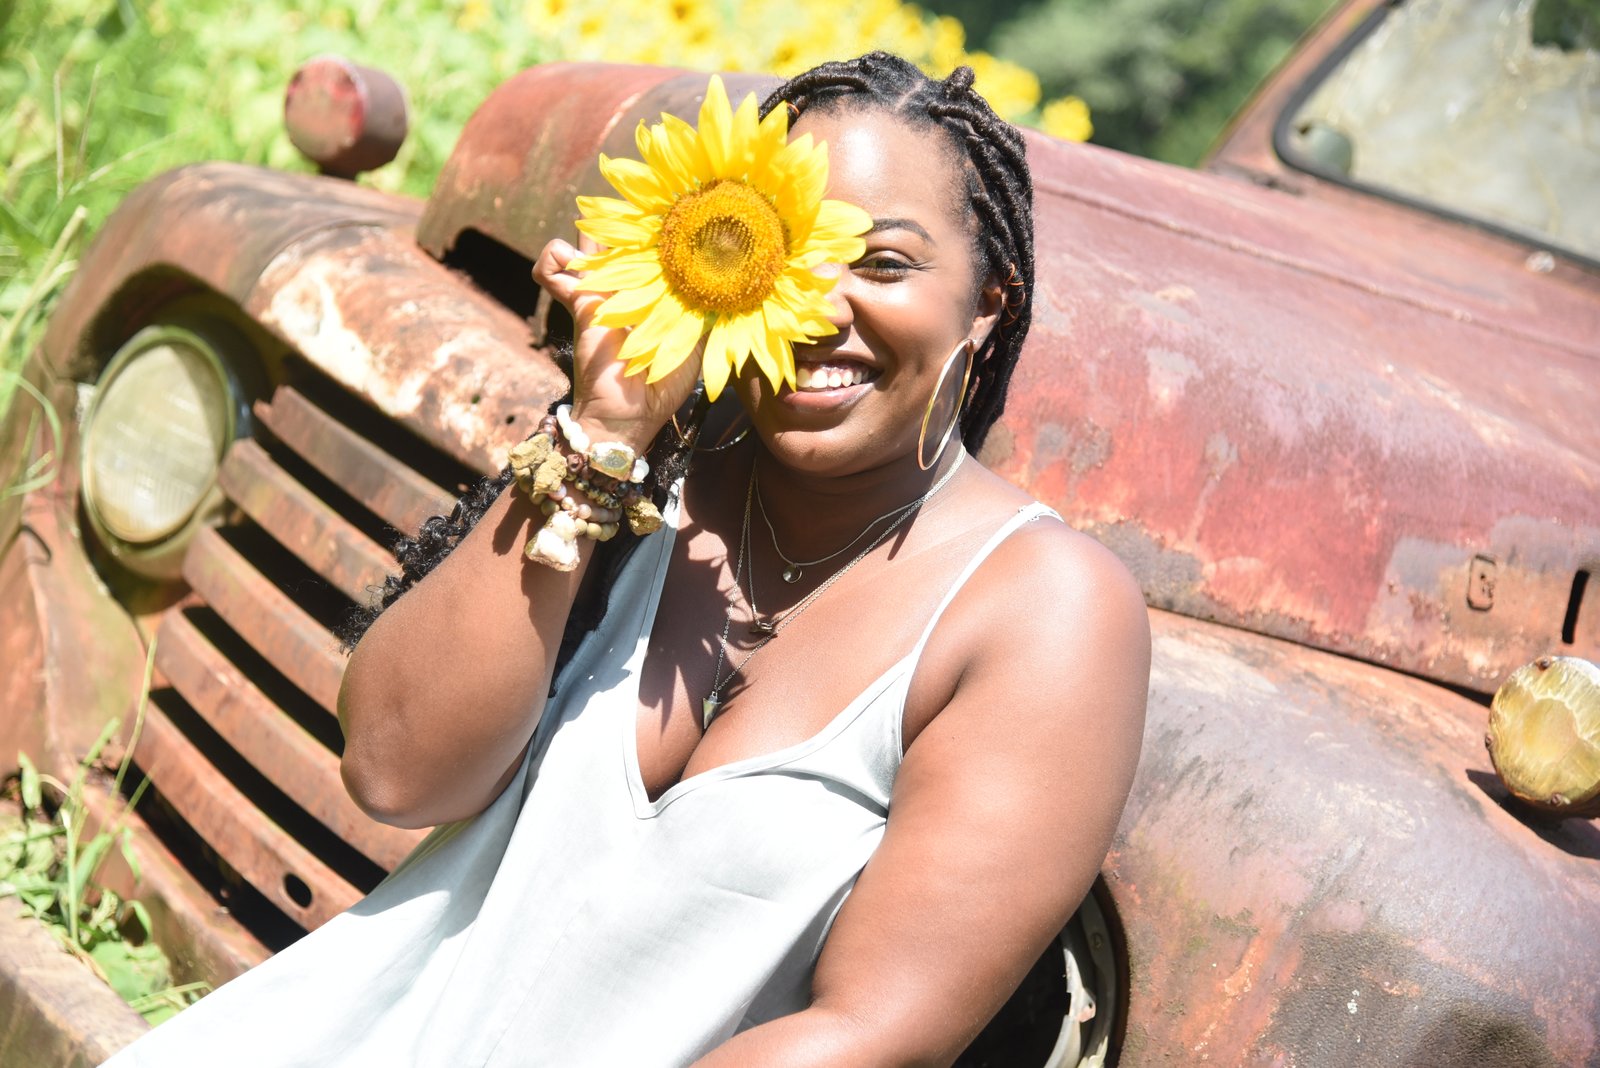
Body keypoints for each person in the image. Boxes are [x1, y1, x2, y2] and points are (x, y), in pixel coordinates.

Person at [103, 52, 1149, 1067]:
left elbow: (872, 1033)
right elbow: (393, 767)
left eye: (882, 263)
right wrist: (598, 437)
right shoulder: (648, 468)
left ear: (989, 302)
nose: (816, 308)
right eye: (787, 254)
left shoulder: (1040, 608)